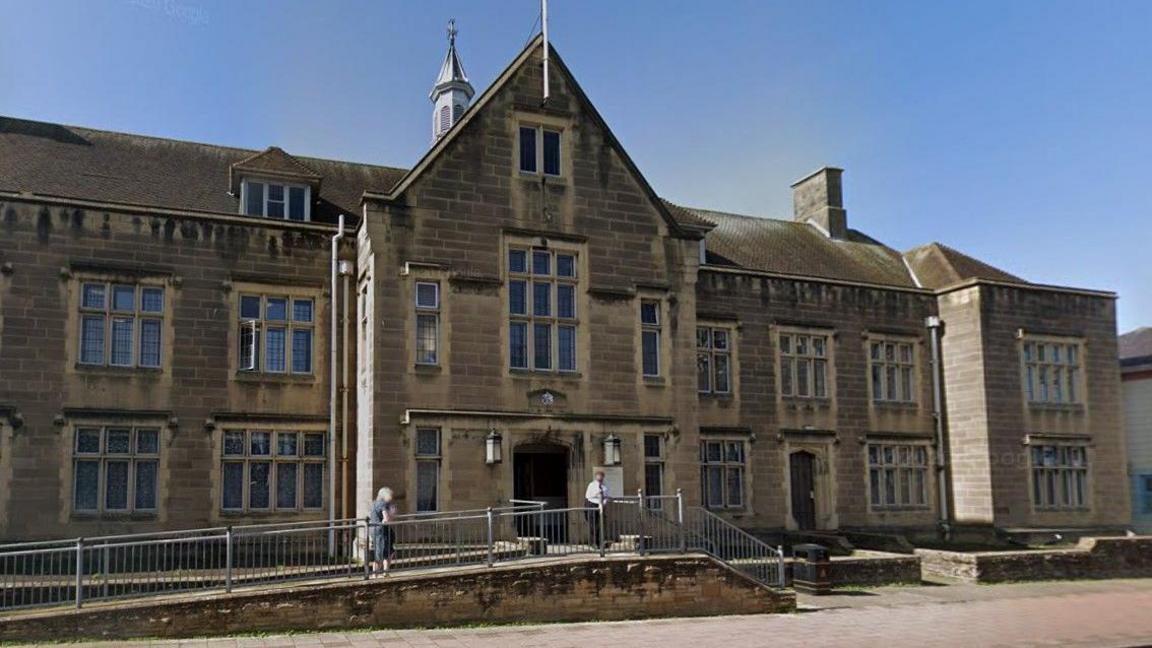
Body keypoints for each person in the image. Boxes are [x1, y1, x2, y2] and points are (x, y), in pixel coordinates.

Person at [369, 487, 397, 576]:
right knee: (381, 553)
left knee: (387, 552)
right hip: (382, 531)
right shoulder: (383, 504)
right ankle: (376, 574)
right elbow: (386, 519)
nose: (391, 497)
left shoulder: (374, 503)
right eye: (390, 495)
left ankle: (385, 572)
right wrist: (392, 513)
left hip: (376, 530)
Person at [584, 471, 609, 548]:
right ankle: (593, 542)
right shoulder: (591, 485)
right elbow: (588, 496)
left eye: (601, 476)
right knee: (593, 525)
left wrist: (604, 503)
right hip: (592, 504)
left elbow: (606, 496)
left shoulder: (605, 487)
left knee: (600, 525)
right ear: (596, 477)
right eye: (599, 476)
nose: (600, 478)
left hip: (600, 506)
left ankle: (599, 542)